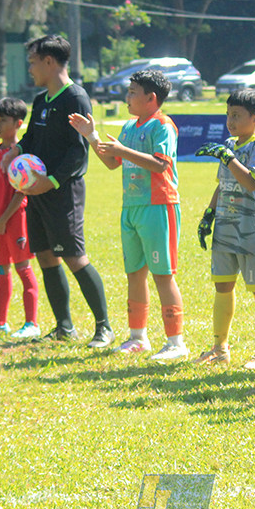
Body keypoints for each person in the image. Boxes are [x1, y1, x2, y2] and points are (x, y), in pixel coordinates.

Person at [2, 35, 113, 348]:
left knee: (75, 257)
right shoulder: (40, 100)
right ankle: (64, 326)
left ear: (49, 62)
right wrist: (17, 149)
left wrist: (49, 182)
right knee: (46, 256)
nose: (30, 69)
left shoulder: (75, 98)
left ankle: (104, 327)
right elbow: (33, 138)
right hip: (36, 190)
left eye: (33, 62)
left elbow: (78, 153)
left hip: (62, 190)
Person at [71, 70, 187, 360]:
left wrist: (124, 150)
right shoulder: (129, 127)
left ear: (151, 98)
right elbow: (112, 162)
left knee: (163, 275)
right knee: (134, 274)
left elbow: (161, 165)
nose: (127, 97)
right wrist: (91, 135)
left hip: (158, 207)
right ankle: (138, 337)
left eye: (133, 92)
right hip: (132, 208)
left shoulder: (163, 125)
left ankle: (176, 342)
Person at [195, 87, 255, 369]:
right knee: (222, 285)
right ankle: (220, 347)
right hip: (226, 226)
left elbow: (251, 181)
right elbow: (224, 183)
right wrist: (209, 214)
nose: (230, 121)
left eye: (237, 115)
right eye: (229, 114)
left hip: (252, 227)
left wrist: (228, 158)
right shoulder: (229, 143)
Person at [0, 97, 40, 339]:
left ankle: (31, 323)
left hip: (15, 220)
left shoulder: (21, 155)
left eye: (3, 121)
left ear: (19, 123)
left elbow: (21, 192)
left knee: (23, 268)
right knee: (1, 271)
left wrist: (2, 220)